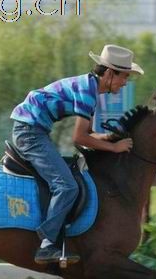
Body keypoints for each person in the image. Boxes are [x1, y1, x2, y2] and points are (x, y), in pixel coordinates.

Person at [10, 44, 143, 264]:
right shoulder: (88, 92)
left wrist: (110, 138)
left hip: (34, 130)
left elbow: (89, 134)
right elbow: (79, 138)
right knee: (66, 185)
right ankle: (46, 245)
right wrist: (113, 148)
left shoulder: (89, 88)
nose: (125, 82)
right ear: (110, 73)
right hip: (30, 133)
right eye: (124, 76)